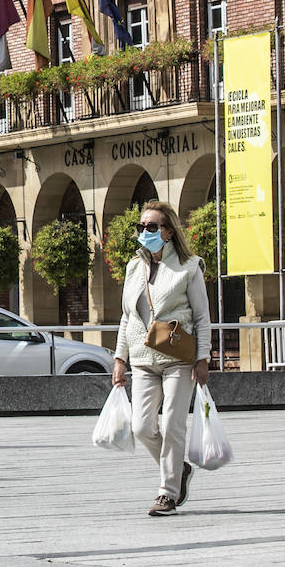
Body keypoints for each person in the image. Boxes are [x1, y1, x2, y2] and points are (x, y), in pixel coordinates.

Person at [112, 199, 212, 517]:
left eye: (151, 226)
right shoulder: (133, 267)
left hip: (177, 357)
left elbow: (202, 317)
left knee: (172, 423)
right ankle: (178, 470)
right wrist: (119, 359)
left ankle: (167, 492)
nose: (144, 231)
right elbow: (127, 317)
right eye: (141, 226)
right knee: (142, 427)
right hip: (142, 358)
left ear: (168, 231)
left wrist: (203, 358)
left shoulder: (188, 267)